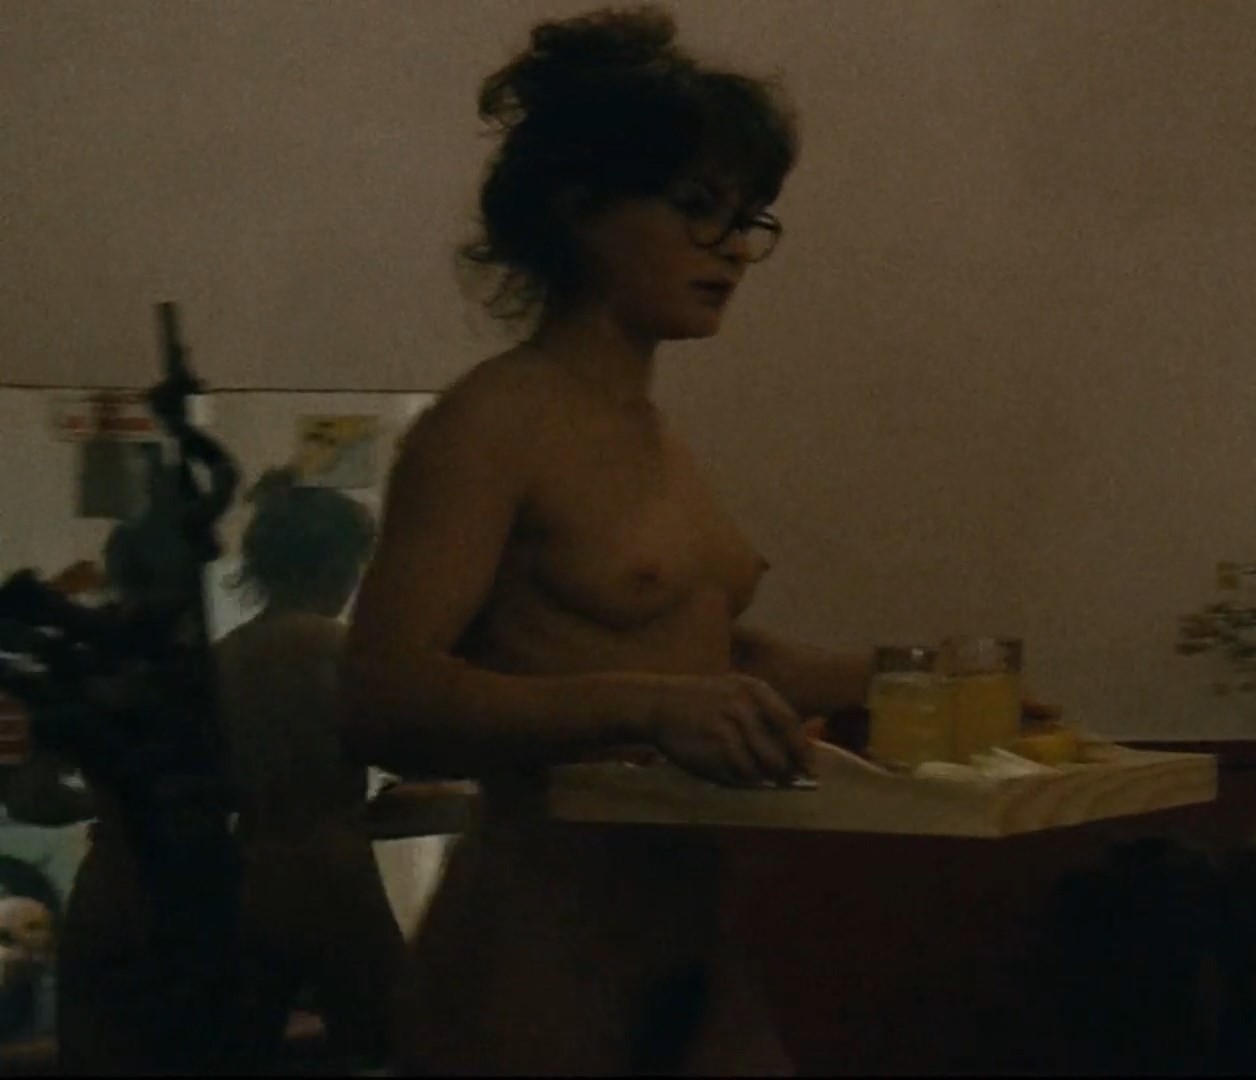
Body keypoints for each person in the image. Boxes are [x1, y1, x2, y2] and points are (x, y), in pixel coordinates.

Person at [343, 6, 1051, 1074]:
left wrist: (926, 677)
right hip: (539, 969)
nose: (731, 249)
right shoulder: (493, 420)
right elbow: (381, 697)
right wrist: (647, 705)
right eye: (695, 208)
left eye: (747, 218)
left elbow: (711, 654)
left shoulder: (652, 432)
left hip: (697, 954)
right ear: (579, 205)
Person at [59, 469, 402, 1071]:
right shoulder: (343, 652)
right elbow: (413, 750)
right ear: (338, 566)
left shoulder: (221, 662)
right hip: (335, 872)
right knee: (389, 1047)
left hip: (245, 879)